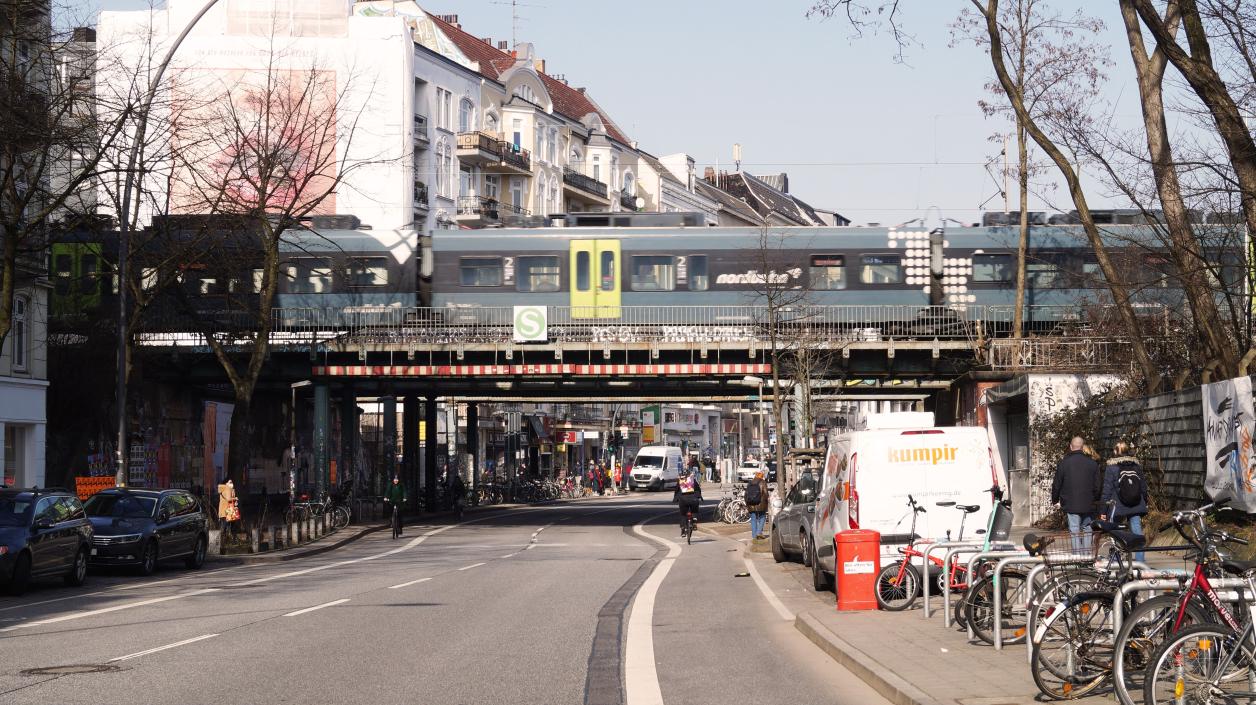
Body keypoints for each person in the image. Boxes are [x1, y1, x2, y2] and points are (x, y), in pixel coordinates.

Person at [1101, 442, 1148, 562]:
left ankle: (1117, 561)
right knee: (1137, 532)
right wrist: (1144, 501)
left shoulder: (1111, 467)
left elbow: (1107, 490)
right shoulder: (1136, 466)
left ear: (1116, 452)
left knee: (1117, 533)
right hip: (1136, 503)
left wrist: (1103, 510)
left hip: (1118, 506)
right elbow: (1143, 486)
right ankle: (1140, 562)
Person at [1052, 437, 1101, 551]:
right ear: (1083, 447)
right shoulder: (1092, 464)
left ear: (1070, 446)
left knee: (1074, 529)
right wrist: (1095, 499)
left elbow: (1057, 484)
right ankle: (1087, 556)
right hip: (1088, 503)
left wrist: (1055, 499)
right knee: (1087, 529)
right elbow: (1098, 485)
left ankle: (1078, 556)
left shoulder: (1064, 463)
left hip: (1071, 502)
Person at [674, 467, 703, 536]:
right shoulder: (693, 481)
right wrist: (699, 496)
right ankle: (694, 522)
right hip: (694, 499)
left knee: (683, 515)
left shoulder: (680, 481)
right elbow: (698, 489)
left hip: (683, 500)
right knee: (694, 511)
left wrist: (675, 499)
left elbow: (676, 491)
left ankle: (683, 530)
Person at [745, 470, 770, 540]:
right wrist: (767, 501)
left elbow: (746, 495)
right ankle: (759, 532)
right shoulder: (763, 482)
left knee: (753, 519)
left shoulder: (750, 483)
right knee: (762, 517)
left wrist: (747, 504)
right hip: (760, 505)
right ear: (761, 476)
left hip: (751, 504)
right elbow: (765, 493)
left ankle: (754, 536)